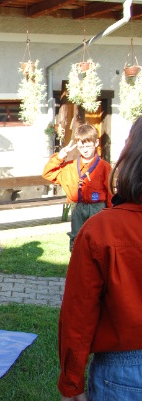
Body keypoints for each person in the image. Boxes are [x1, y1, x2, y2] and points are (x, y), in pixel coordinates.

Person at [58, 117, 142, 401]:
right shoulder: (99, 230)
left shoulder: (102, 230)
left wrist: (71, 382)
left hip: (124, 368)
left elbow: (78, 315)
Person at [42, 124, 112, 251]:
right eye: (81, 147)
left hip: (97, 208)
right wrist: (60, 156)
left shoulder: (104, 167)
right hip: (77, 208)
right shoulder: (69, 167)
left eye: (88, 146)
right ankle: (76, 261)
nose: (85, 150)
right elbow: (48, 174)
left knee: (98, 240)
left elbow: (110, 192)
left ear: (96, 143)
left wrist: (111, 213)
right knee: (77, 239)